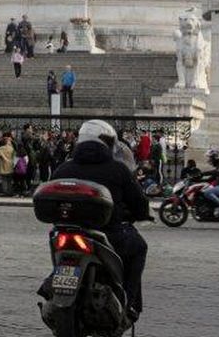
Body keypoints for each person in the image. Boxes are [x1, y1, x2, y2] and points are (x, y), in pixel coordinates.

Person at [52, 119, 151, 318]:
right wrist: (141, 214)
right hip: (110, 233)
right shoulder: (118, 169)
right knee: (139, 247)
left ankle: (56, 282)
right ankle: (129, 303)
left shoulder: (63, 169)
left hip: (67, 231)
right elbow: (139, 204)